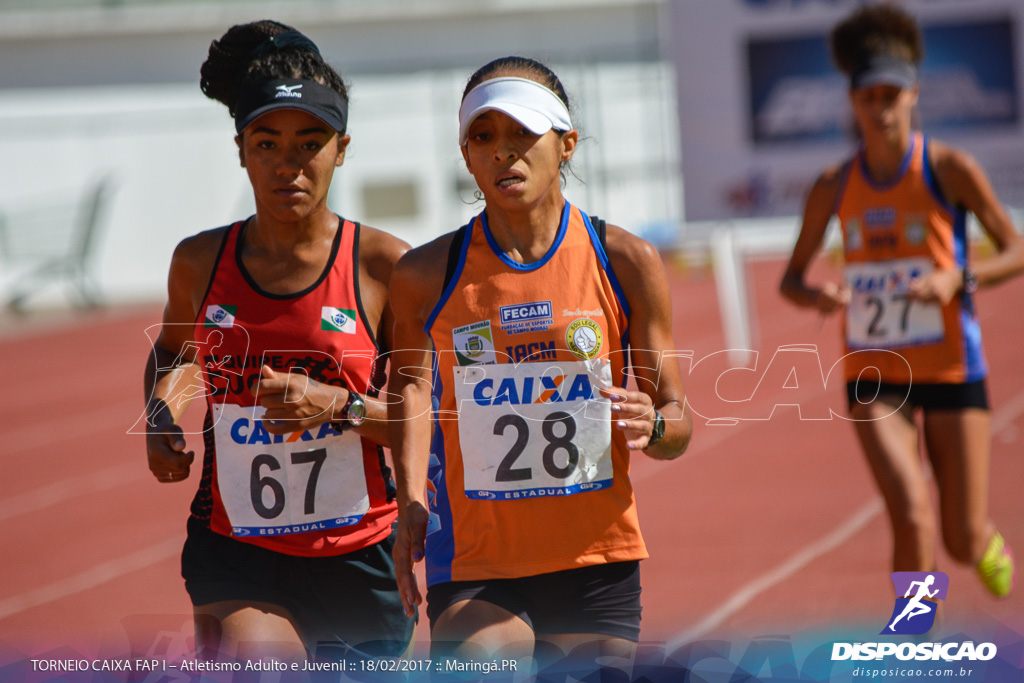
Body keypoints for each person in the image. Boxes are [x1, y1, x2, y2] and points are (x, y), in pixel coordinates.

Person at [386, 56, 692, 671]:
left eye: (522, 133)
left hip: (594, 558)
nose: (504, 152)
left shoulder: (626, 260)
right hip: (476, 560)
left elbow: (677, 424)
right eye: (484, 137)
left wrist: (652, 425)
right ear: (467, 157)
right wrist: (410, 501)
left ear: (567, 144)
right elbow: (411, 389)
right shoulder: (425, 275)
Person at [142, 20, 414, 661]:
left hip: (360, 554)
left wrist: (340, 407)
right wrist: (161, 412)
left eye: (309, 143)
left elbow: (429, 419)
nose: (287, 165)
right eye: (266, 143)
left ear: (341, 149)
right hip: (236, 548)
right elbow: (177, 353)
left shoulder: (385, 268)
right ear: (240, 149)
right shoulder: (199, 262)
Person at [780, 5, 1022, 598]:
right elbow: (790, 278)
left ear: (914, 94)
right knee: (912, 513)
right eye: (868, 97)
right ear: (853, 102)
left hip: (949, 365)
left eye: (892, 95)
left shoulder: (948, 168)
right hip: (873, 371)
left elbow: (1016, 249)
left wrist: (956, 279)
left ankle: (983, 540)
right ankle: (915, 645)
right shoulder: (833, 186)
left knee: (960, 538)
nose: (880, 108)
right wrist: (819, 296)